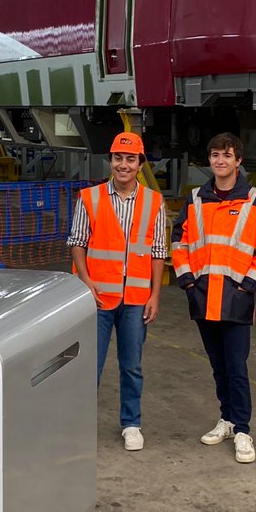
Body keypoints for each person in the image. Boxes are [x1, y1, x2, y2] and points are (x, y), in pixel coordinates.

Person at [171, 133, 256, 464]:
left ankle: (243, 429)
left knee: (236, 367)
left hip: (236, 299)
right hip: (202, 296)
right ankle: (227, 419)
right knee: (218, 366)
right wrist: (186, 281)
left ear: (238, 160)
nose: (220, 161)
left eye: (227, 155)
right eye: (215, 155)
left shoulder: (254, 198)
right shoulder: (196, 197)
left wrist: (248, 287)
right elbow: (180, 241)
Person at [68, 132, 166, 451]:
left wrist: (155, 295)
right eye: (118, 158)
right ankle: (80, 424)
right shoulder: (90, 198)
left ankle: (131, 423)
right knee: (90, 366)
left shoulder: (154, 201)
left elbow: (158, 251)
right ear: (111, 161)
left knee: (132, 365)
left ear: (140, 164)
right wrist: (86, 281)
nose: (123, 165)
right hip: (97, 298)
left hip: (136, 300)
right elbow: (78, 243)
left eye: (130, 159)